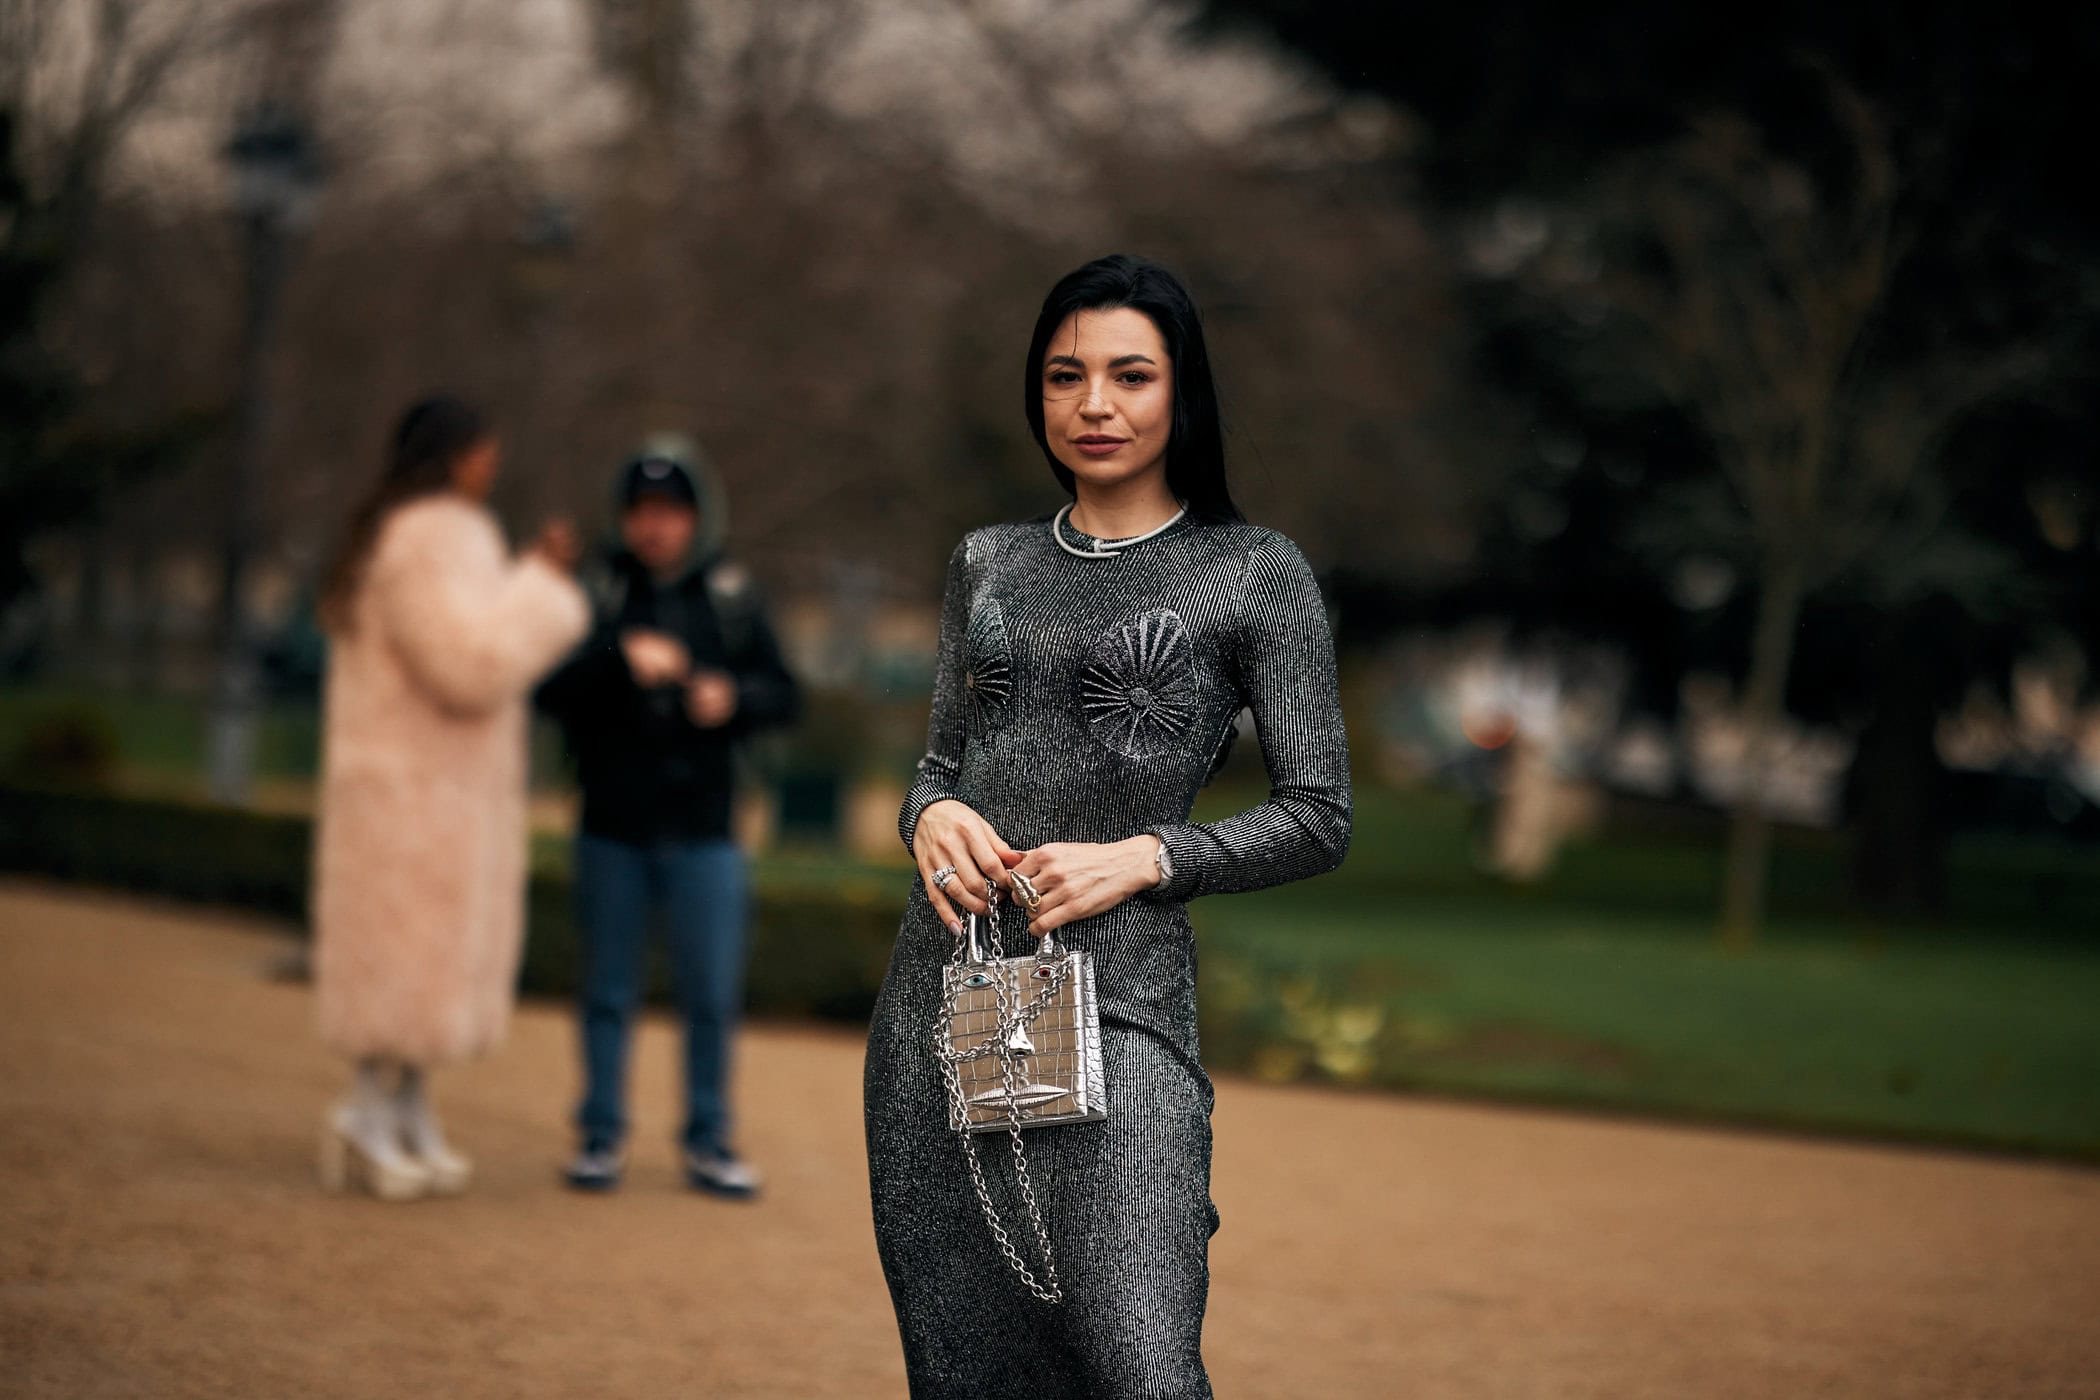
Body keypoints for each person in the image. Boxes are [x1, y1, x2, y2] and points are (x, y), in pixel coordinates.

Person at [863, 254, 1353, 1396]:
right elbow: (939, 763)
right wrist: (927, 814)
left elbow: (1321, 814)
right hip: (945, 1001)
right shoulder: (987, 560)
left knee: (1142, 1364)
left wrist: (1150, 854)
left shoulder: (1253, 572)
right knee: (963, 1368)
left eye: (1130, 375)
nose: (1094, 404)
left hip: (1124, 1006)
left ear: (1182, 391)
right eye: (1064, 375)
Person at [311, 396, 589, 1201]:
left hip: (424, 787)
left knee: (417, 958)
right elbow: (467, 664)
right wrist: (545, 594)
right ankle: (368, 1110)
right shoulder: (428, 536)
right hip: (417, 790)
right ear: (456, 454)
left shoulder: (408, 533)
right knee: (402, 957)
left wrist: (534, 576)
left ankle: (401, 1107)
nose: (493, 462)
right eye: (484, 448)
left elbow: (470, 638)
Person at [536, 439, 800, 1197]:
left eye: (671, 512)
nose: (656, 528)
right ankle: (599, 1134)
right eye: (643, 512)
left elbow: (786, 694)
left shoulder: (733, 596)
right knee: (607, 990)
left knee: (711, 995)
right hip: (609, 826)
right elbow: (546, 690)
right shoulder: (594, 595)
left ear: (695, 518)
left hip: (707, 832)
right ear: (624, 520)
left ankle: (710, 1139)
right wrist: (620, 658)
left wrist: (733, 700)